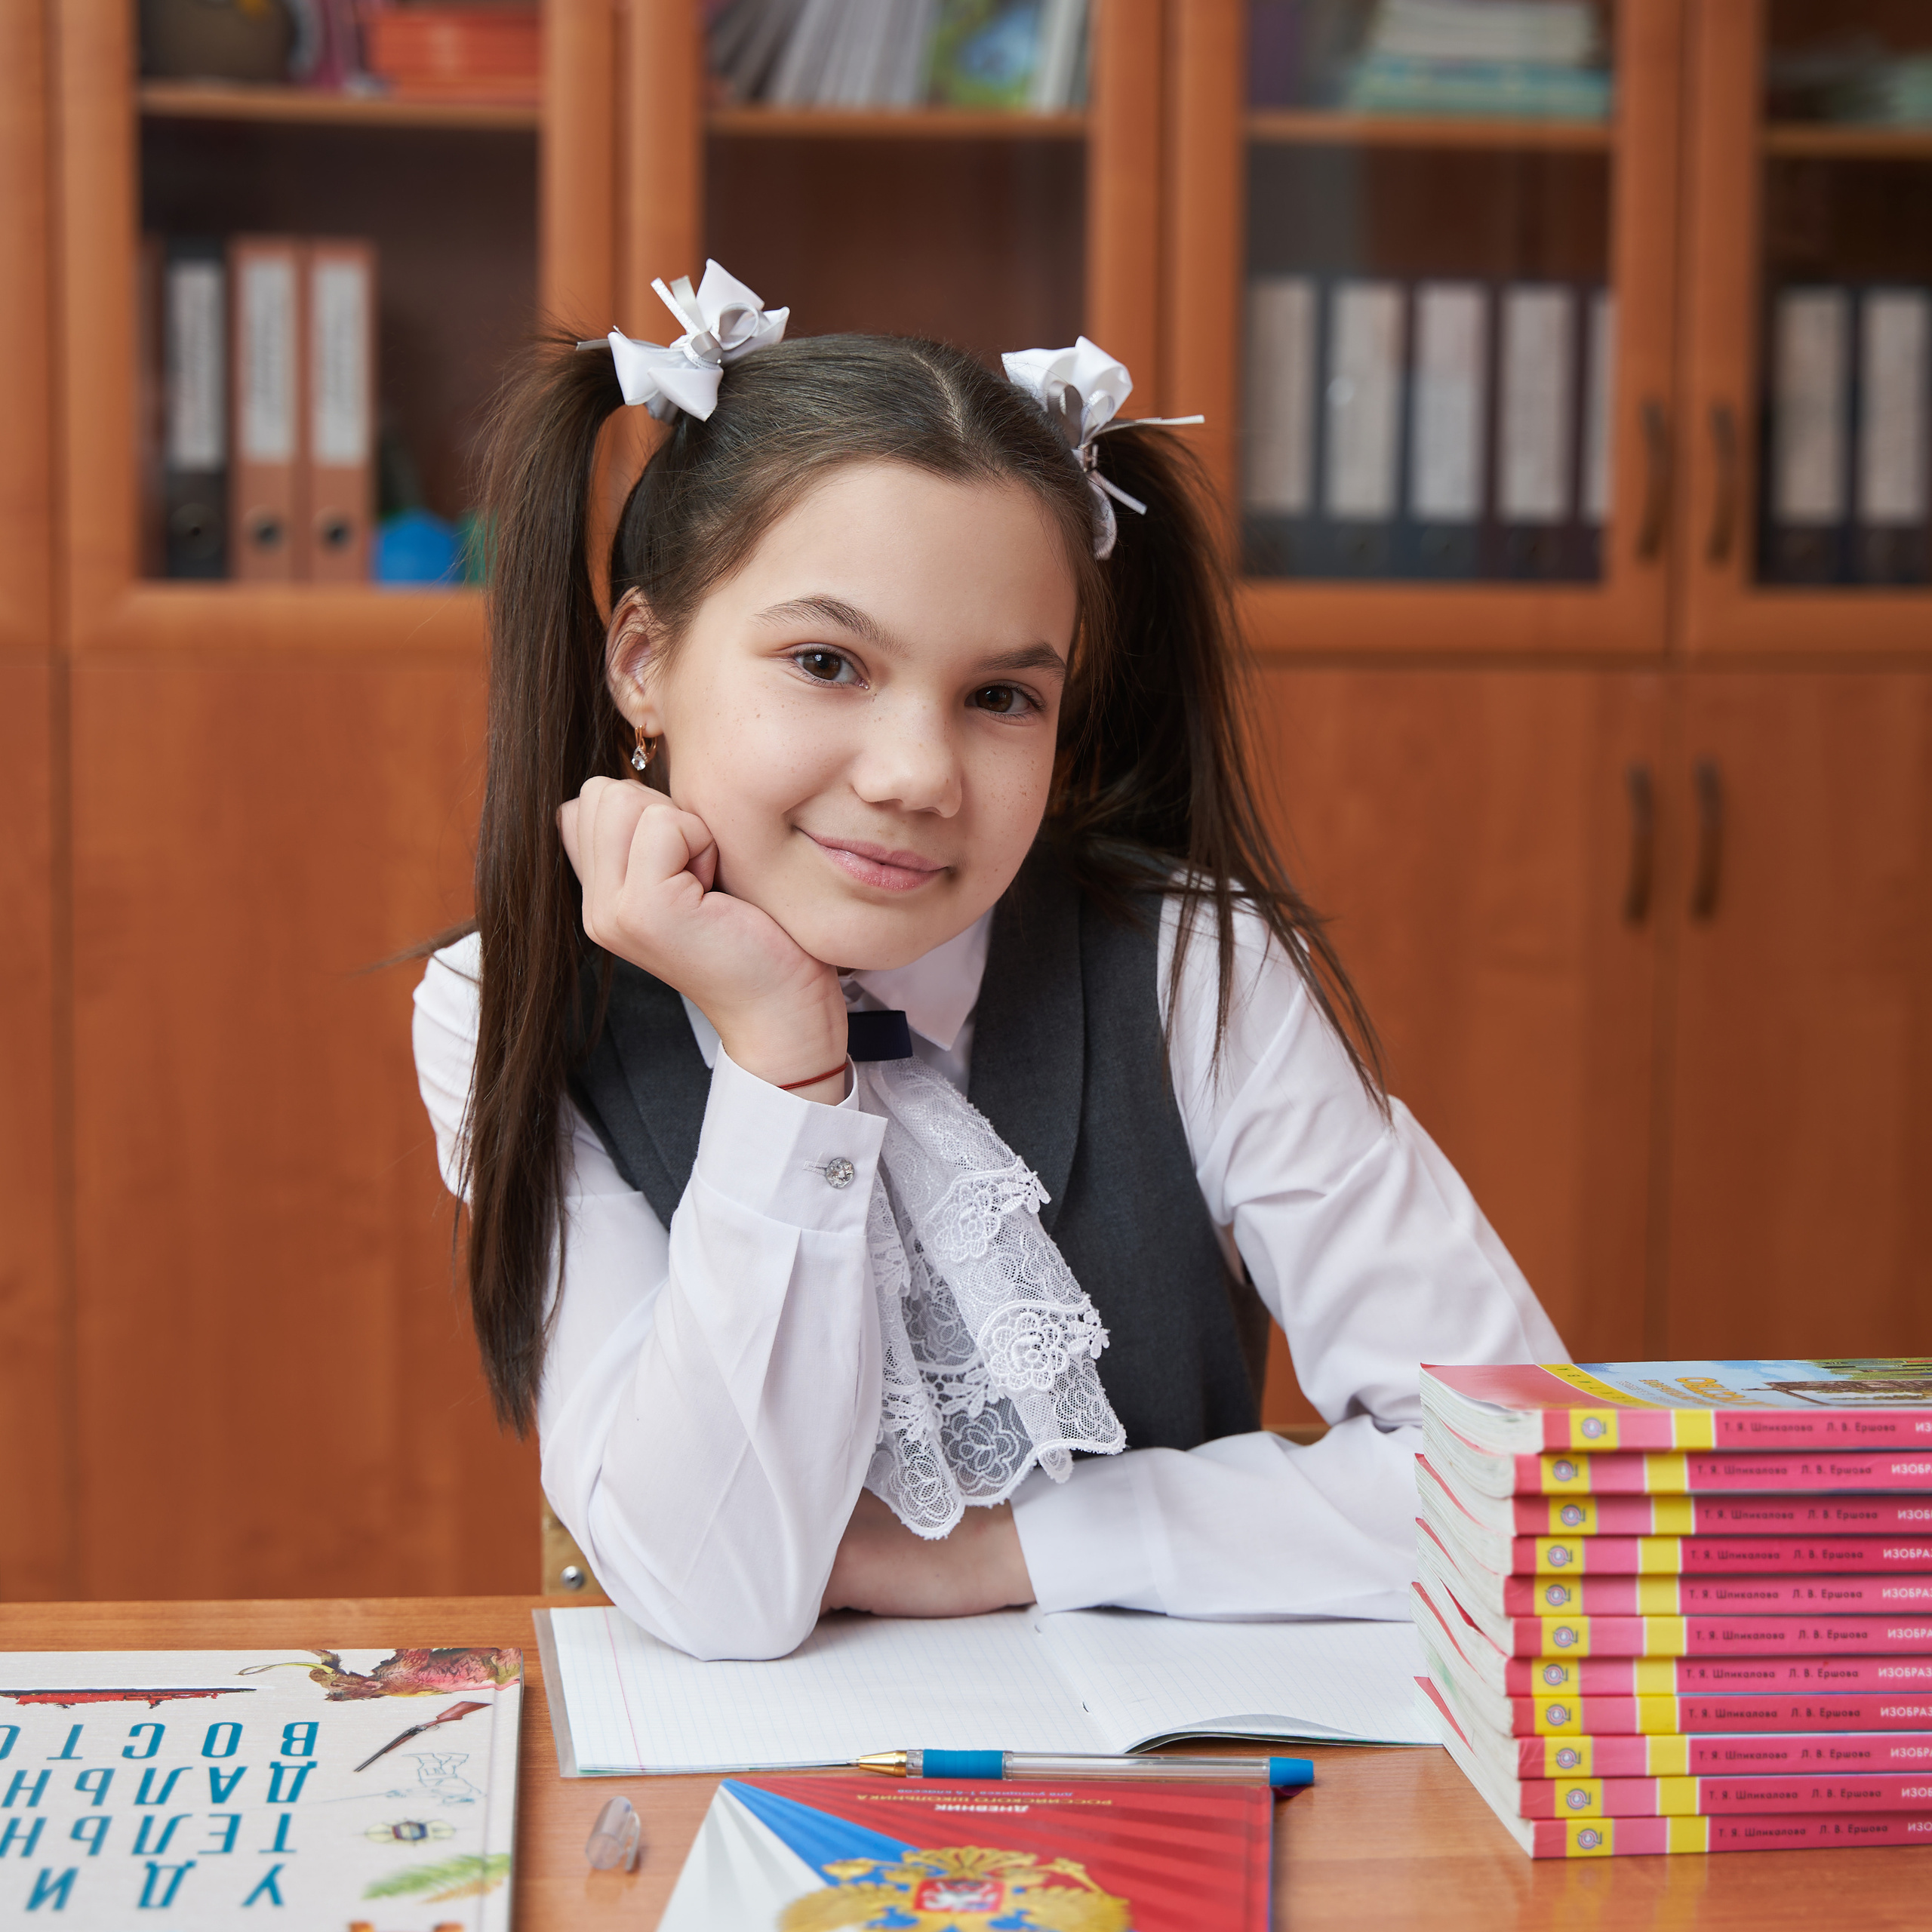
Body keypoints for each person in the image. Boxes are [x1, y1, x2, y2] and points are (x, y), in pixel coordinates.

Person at [413, 263, 1563, 1663]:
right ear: (642, 659)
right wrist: (788, 1060)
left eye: (1001, 697)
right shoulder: (501, 1004)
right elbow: (716, 1594)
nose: (915, 775)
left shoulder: (1194, 967)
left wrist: (1012, 1553)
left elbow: (1526, 1473)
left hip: (1178, 1778)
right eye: (828, 663)